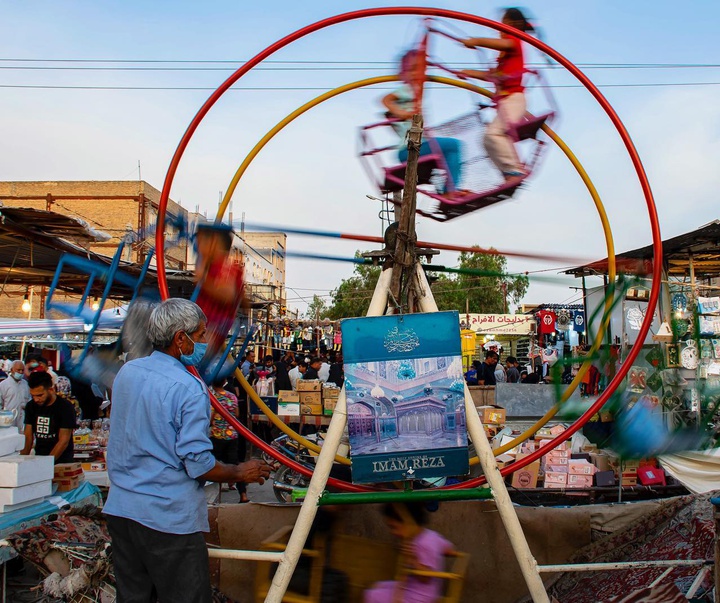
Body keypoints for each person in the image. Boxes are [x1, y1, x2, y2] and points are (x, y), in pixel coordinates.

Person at [103, 298, 273, 602]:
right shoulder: (188, 387)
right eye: (200, 335)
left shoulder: (128, 373)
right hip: (166, 519)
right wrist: (239, 472)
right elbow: (199, 465)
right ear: (180, 339)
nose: (205, 342)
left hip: (122, 511)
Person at [461, 7, 535, 180]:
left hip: (514, 100)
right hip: (506, 101)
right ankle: (509, 173)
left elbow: (503, 43)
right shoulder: (504, 61)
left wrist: (476, 41)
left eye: (502, 26)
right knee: (487, 140)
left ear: (510, 25)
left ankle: (515, 170)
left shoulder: (515, 41)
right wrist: (468, 73)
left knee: (493, 134)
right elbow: (492, 75)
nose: (499, 31)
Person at [382, 49, 465, 197]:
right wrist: (403, 114)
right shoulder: (408, 90)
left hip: (417, 146)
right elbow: (385, 100)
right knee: (454, 145)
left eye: (421, 69)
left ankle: (451, 189)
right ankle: (450, 190)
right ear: (405, 73)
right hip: (410, 149)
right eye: (413, 70)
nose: (417, 74)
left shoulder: (416, 93)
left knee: (450, 150)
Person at [364, 502, 454, 603]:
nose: (392, 532)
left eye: (394, 527)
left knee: (371, 595)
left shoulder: (424, 544)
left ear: (409, 523)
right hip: (411, 586)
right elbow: (449, 549)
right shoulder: (431, 535)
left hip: (419, 596)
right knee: (378, 585)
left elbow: (426, 578)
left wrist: (412, 559)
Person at [193, 222, 249, 366]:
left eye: (202, 242)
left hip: (206, 333)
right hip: (203, 330)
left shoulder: (225, 267)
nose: (198, 247)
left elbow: (228, 295)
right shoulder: (214, 267)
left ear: (214, 243)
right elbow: (242, 300)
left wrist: (203, 279)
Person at [21, 371, 76, 463]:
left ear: (51, 390)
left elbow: (63, 441)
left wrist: (47, 463)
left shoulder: (65, 407)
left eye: (40, 395)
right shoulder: (31, 406)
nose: (36, 399)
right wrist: (22, 461)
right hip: (39, 457)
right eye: (33, 396)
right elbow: (28, 437)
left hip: (62, 461)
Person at [209, 377, 248, 503]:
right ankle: (243, 494)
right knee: (235, 464)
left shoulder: (213, 398)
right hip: (232, 435)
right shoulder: (231, 396)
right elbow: (236, 413)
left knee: (213, 465)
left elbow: (211, 417)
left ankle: (216, 497)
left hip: (217, 435)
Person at [0, 361, 29, 429]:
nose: (21, 372)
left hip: (23, 418)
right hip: (8, 419)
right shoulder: (3, 385)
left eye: (22, 370)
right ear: (11, 370)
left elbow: (29, 399)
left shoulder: (25, 384)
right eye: (18, 370)